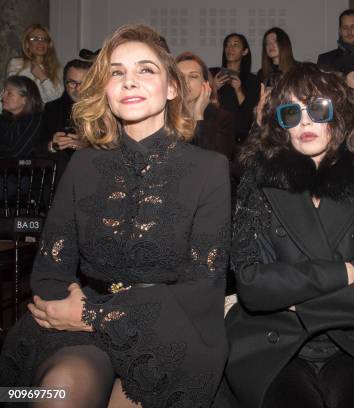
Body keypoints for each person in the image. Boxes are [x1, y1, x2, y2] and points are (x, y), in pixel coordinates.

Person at [0, 24, 230, 408]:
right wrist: (70, 309)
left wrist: (91, 315)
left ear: (172, 88)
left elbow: (202, 288)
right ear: (105, 89)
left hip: (170, 329)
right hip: (78, 322)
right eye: (117, 72)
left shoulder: (209, 169)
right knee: (58, 391)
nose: (129, 81)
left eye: (146, 70)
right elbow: (50, 269)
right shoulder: (84, 164)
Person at [218, 62, 354, 408]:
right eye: (291, 112)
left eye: (317, 108)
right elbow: (252, 285)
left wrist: (294, 296)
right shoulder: (259, 181)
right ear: (281, 125)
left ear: (341, 115)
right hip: (276, 345)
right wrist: (351, 272)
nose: (305, 121)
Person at [176, 51, 235, 160]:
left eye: (193, 76)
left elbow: (214, 162)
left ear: (206, 83)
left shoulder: (222, 119)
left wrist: (198, 116)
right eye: (180, 76)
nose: (185, 82)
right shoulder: (163, 117)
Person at [41, 59, 92, 180]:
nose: (78, 89)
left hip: (92, 171)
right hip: (58, 172)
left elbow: (114, 147)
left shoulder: (103, 109)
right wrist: (52, 145)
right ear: (65, 83)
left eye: (83, 83)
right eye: (72, 83)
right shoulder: (52, 108)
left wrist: (88, 146)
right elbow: (37, 147)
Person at [212, 33, 260, 145]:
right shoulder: (213, 74)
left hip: (242, 138)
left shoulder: (252, 80)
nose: (230, 48)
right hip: (216, 135)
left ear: (245, 51)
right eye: (227, 45)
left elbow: (251, 113)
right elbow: (203, 106)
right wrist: (213, 88)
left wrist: (238, 90)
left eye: (235, 45)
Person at [6, 24, 63, 103]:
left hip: (46, 114)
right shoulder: (16, 63)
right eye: (35, 39)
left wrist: (42, 77)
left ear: (48, 45)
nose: (41, 43)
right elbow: (13, 93)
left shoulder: (57, 68)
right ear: (27, 44)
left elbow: (56, 99)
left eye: (44, 39)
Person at [0, 75, 44, 158]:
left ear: (25, 99)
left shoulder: (34, 120)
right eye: (3, 92)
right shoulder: (3, 119)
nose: (2, 97)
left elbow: (17, 153)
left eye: (9, 93)